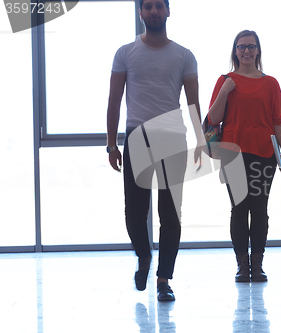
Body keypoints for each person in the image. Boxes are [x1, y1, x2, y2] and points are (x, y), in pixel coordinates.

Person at [106, 0, 202, 301]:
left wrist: (202, 140)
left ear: (168, 12)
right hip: (136, 137)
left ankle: (164, 279)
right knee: (134, 213)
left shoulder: (184, 56)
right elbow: (114, 101)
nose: (153, 11)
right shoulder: (125, 53)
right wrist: (111, 143)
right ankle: (144, 257)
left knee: (170, 213)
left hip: (172, 137)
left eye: (158, 6)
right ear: (141, 13)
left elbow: (193, 104)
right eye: (147, 7)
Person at [207, 30, 281, 282]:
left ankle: (258, 264)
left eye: (251, 46)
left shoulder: (271, 83)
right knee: (239, 208)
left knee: (259, 208)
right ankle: (242, 265)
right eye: (241, 47)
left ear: (258, 51)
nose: (246, 51)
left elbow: (278, 122)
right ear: (235, 51)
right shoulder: (225, 80)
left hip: (265, 154)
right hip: (233, 154)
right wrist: (225, 91)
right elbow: (213, 119)